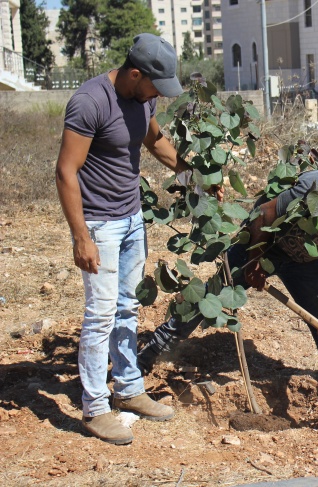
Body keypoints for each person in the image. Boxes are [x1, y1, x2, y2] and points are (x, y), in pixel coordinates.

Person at [137, 170, 318, 395]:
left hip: (305, 261)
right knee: (213, 298)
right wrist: (254, 261)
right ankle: (153, 352)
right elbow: (264, 215)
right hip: (262, 242)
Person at [56, 33, 191, 445]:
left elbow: (154, 140)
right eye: (155, 86)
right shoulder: (90, 101)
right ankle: (95, 407)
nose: (159, 96)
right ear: (135, 73)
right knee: (100, 314)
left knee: (127, 306)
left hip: (132, 219)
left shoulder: (142, 97)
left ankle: (129, 388)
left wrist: (191, 177)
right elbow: (66, 172)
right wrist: (81, 236)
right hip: (99, 224)